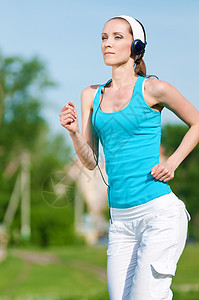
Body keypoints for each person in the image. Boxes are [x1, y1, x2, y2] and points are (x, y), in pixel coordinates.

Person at [59, 15, 199, 300]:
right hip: (120, 223)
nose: (107, 43)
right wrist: (74, 132)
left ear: (136, 45)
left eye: (117, 37)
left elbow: (196, 123)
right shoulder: (91, 95)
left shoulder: (152, 89)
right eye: (103, 37)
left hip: (159, 216)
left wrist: (172, 162)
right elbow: (89, 161)